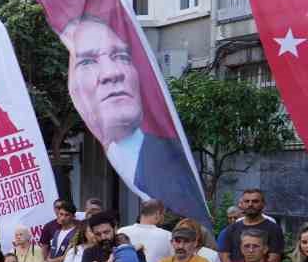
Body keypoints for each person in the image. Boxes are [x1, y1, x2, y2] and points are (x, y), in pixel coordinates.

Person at [59, 15, 205, 212]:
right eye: (87, 62)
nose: (111, 73)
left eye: (121, 56)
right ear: (72, 88)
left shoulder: (171, 160)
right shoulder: (114, 153)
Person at [217, 187, 284, 262]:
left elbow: (274, 258)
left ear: (263, 204)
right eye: (246, 201)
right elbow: (225, 256)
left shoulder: (274, 229)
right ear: (241, 205)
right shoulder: (231, 229)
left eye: (255, 201)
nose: (250, 204)